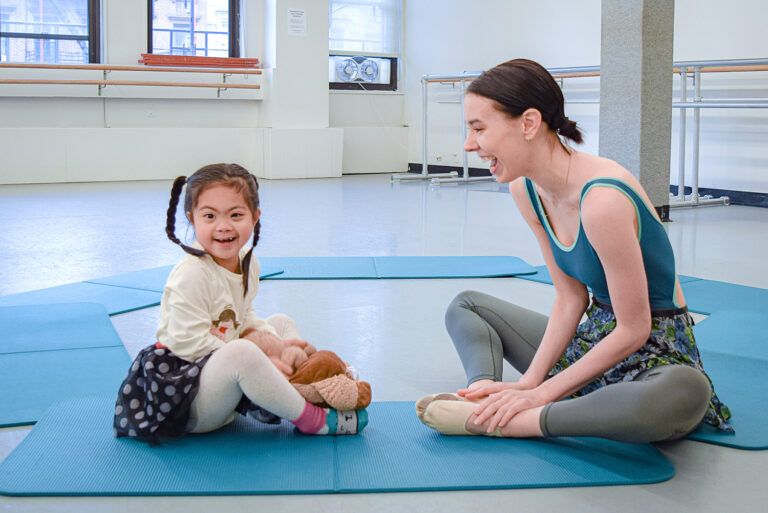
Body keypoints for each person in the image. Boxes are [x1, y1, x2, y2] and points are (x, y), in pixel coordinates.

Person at [416, 59, 732, 443]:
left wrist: (541, 393)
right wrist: (528, 383)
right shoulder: (526, 190)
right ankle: (483, 397)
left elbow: (635, 329)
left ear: (529, 123)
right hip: (593, 336)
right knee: (466, 306)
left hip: (656, 352)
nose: (469, 144)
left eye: (479, 129)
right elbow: (571, 297)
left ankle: (511, 423)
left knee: (684, 393)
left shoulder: (602, 200)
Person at [114, 163, 367, 444]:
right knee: (243, 352)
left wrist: (280, 349)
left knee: (280, 323)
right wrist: (261, 359)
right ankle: (312, 419)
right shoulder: (192, 273)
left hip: (222, 377)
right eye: (209, 216)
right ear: (192, 219)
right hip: (185, 394)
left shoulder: (247, 262)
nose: (223, 226)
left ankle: (300, 376)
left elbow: (243, 315)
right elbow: (187, 342)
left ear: (255, 217)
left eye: (236, 215)